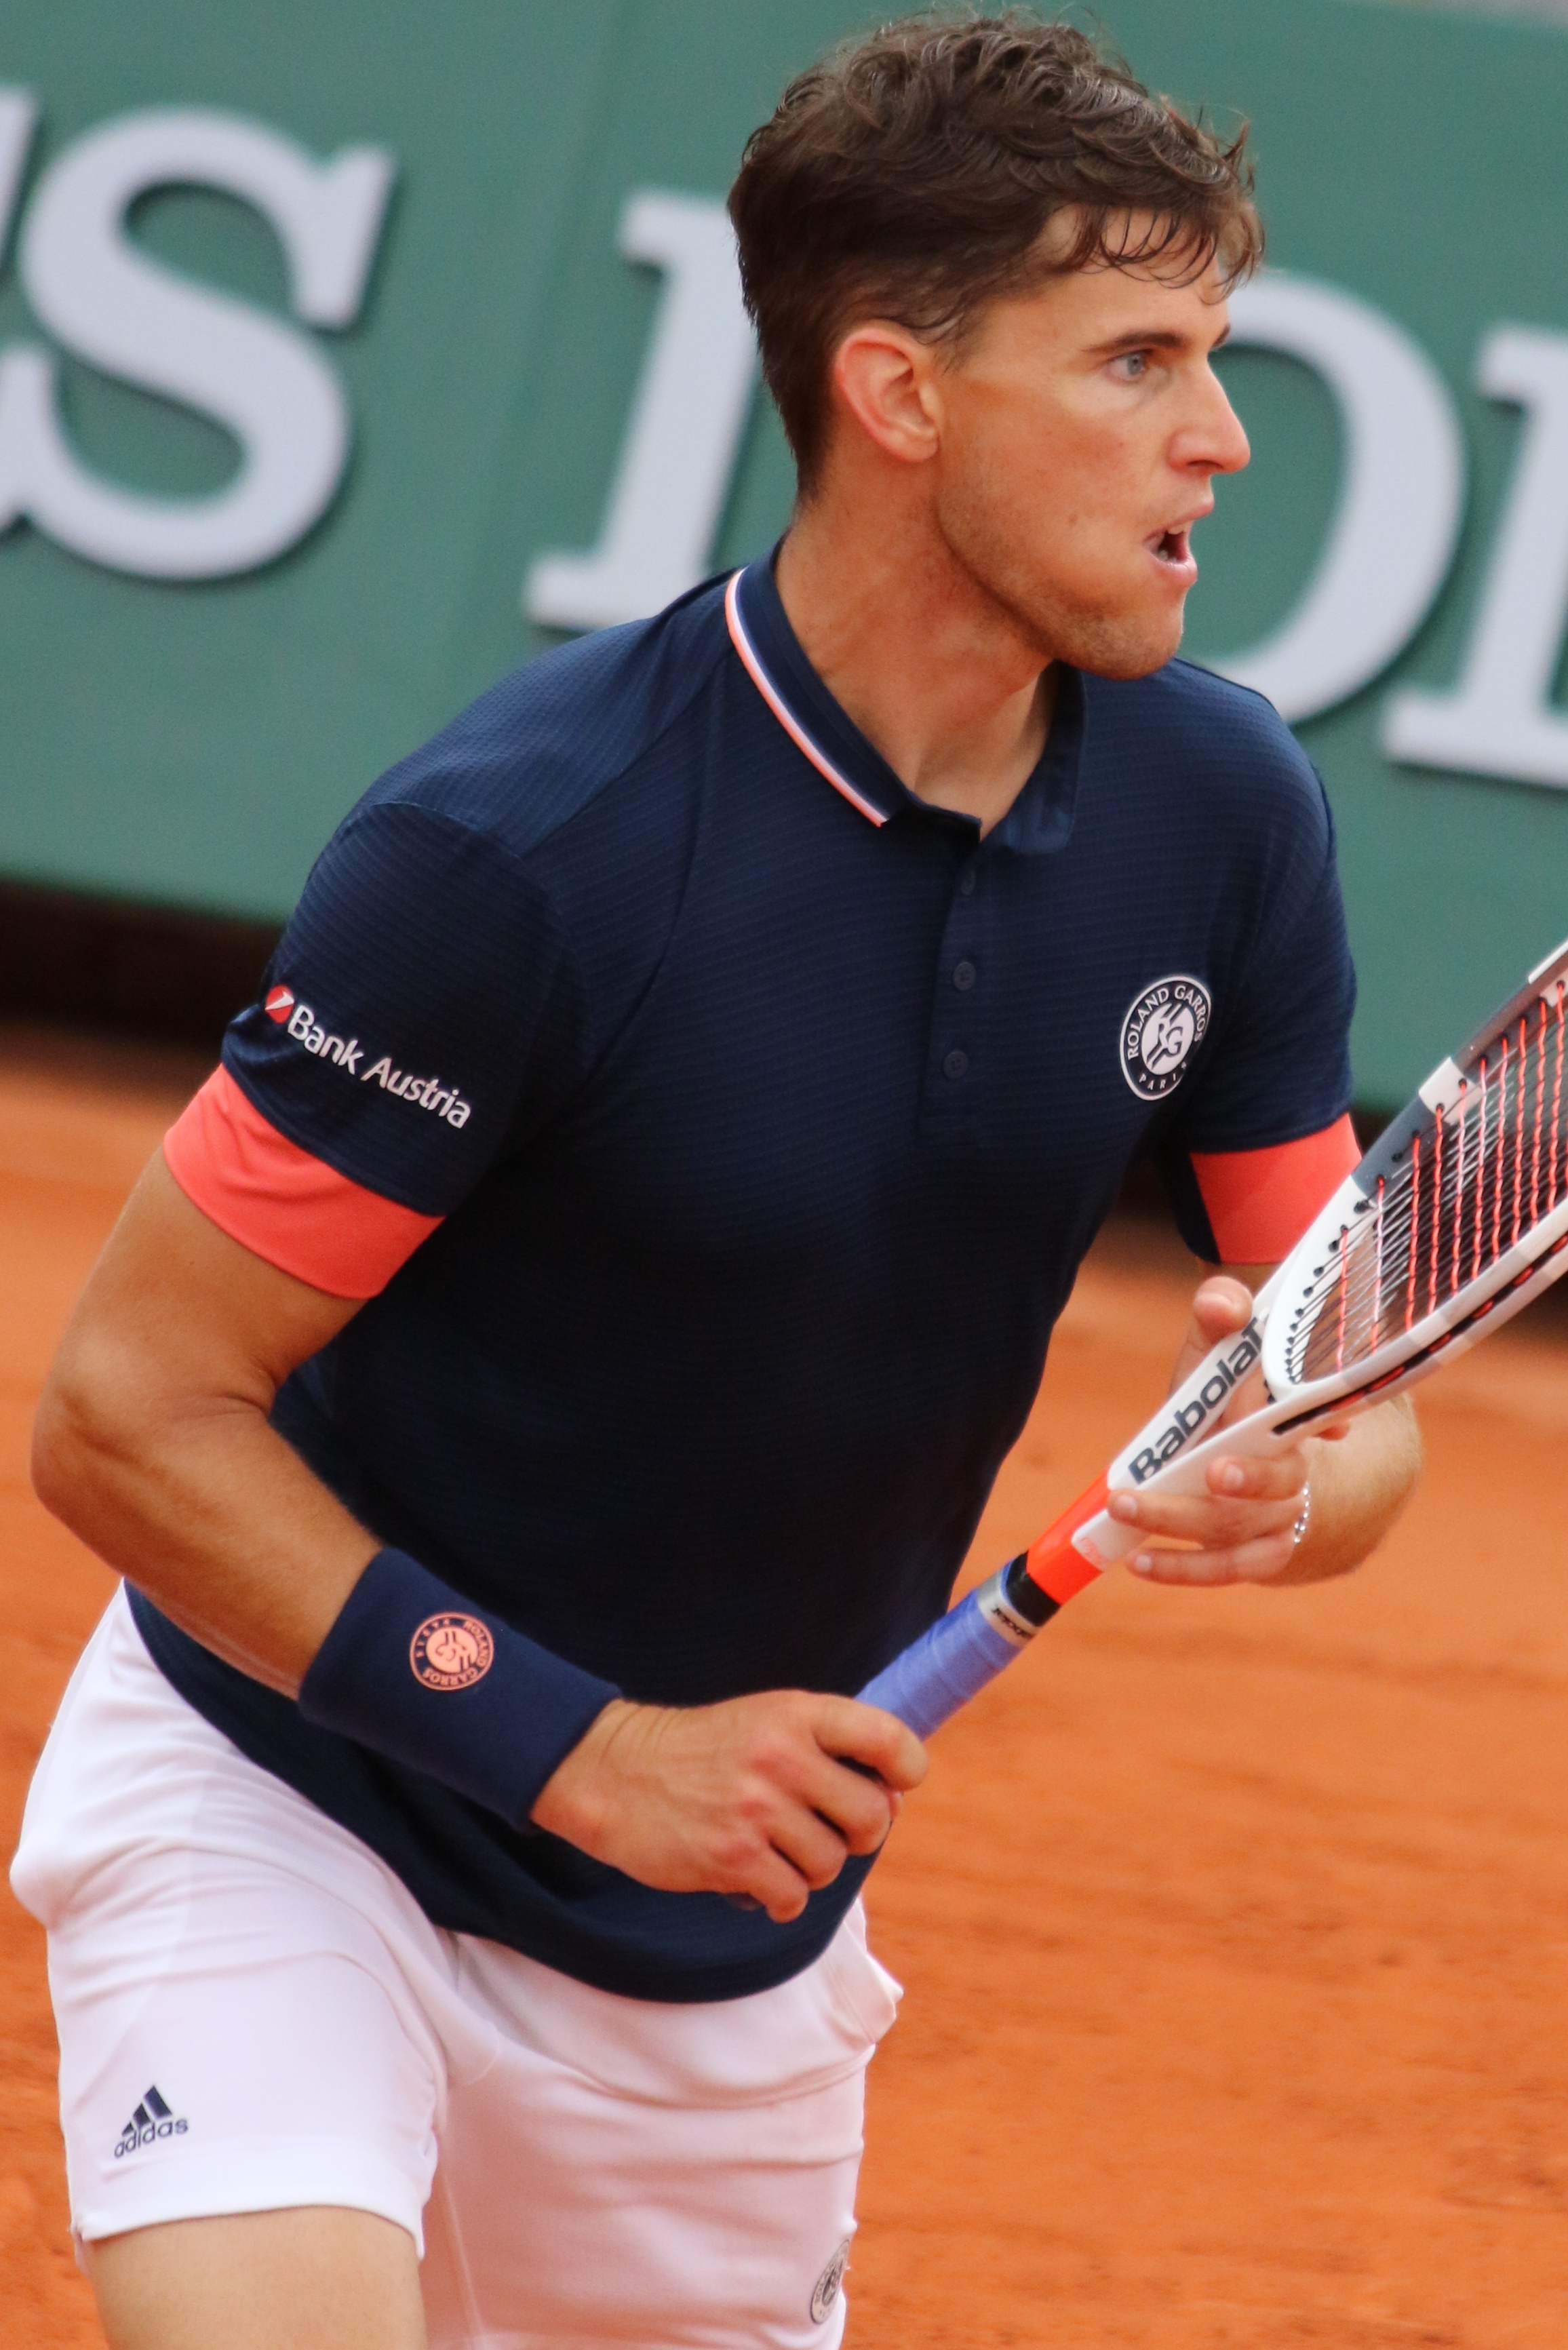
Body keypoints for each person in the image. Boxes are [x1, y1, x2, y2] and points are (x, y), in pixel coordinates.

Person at [12, 16, 1422, 2349]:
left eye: (1217, 351)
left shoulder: (1228, 819)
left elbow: (1349, 1384)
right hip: (303, 1810)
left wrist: (1305, 1477)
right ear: (899, 393)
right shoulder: (518, 852)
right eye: (1138, 359)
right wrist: (579, 1747)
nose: (1225, 434)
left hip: (722, 1960)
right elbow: (124, 1415)